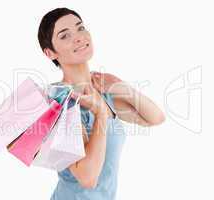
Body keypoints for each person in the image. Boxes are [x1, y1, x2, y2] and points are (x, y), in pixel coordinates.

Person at [37, 7, 165, 200]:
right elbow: (88, 177)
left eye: (80, 28)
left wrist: (122, 88)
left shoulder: (102, 89)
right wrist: (101, 115)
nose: (79, 37)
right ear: (50, 53)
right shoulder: (60, 102)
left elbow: (155, 118)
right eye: (65, 36)